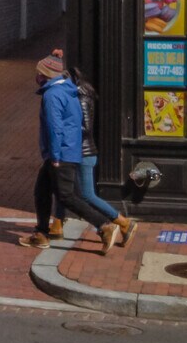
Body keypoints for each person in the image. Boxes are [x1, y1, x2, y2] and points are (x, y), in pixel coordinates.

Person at [23, 54, 120, 251]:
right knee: (41, 191)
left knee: (67, 196)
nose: (37, 76)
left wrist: (56, 156)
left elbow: (55, 127)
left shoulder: (52, 95)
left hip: (60, 154)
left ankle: (104, 225)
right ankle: (41, 233)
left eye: (39, 73)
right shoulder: (68, 91)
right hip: (67, 151)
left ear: (45, 75)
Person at [67, 64, 134, 243]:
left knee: (87, 195)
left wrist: (64, 128)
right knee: (66, 193)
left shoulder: (80, 96)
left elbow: (85, 127)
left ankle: (122, 222)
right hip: (81, 152)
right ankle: (57, 226)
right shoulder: (81, 94)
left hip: (83, 152)